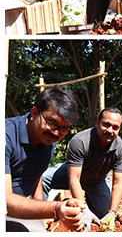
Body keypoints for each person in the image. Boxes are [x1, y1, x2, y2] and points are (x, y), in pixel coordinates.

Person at [5, 86, 84, 232]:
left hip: (21, 206)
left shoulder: (47, 140)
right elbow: (4, 201)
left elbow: (37, 177)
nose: (56, 133)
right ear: (34, 113)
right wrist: (55, 209)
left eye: (63, 128)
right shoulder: (5, 136)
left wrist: (40, 218)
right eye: (51, 122)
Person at [42, 107, 122, 231]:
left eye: (115, 127)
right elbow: (74, 179)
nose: (110, 130)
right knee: (43, 178)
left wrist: (112, 212)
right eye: (106, 125)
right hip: (70, 174)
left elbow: (118, 183)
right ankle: (38, 217)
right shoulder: (80, 141)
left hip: (97, 181)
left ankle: (72, 203)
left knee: (103, 213)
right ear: (97, 122)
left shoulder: (121, 149)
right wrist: (83, 209)